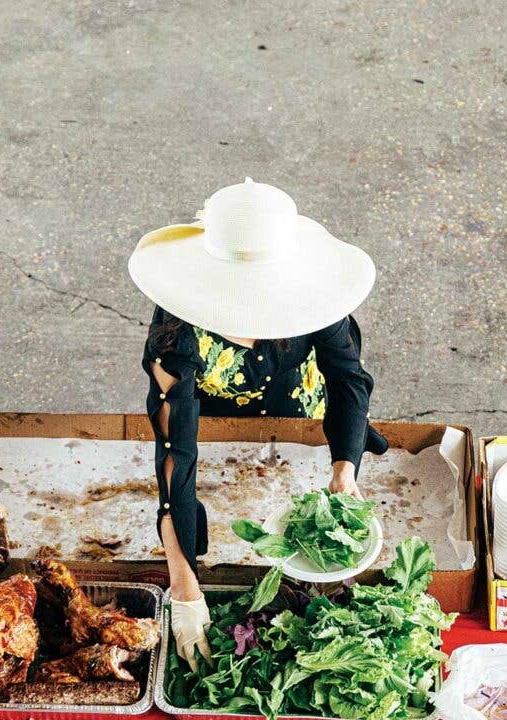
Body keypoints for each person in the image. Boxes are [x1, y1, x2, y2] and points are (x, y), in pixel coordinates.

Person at [128, 178, 388, 670]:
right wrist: (184, 587)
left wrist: (343, 472)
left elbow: (348, 380)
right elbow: (175, 451)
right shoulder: (177, 327)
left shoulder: (315, 295)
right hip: (221, 421)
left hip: (299, 413)